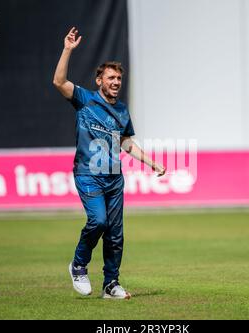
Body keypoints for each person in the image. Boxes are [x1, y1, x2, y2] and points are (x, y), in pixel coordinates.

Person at [53, 27, 166, 299]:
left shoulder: (122, 110)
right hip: (88, 174)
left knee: (116, 234)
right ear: (99, 80)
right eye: (111, 77)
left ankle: (110, 284)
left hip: (114, 177)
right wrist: (68, 49)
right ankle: (79, 264)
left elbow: (125, 142)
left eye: (118, 78)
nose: (116, 82)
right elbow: (59, 82)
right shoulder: (84, 99)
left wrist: (150, 162)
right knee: (98, 221)